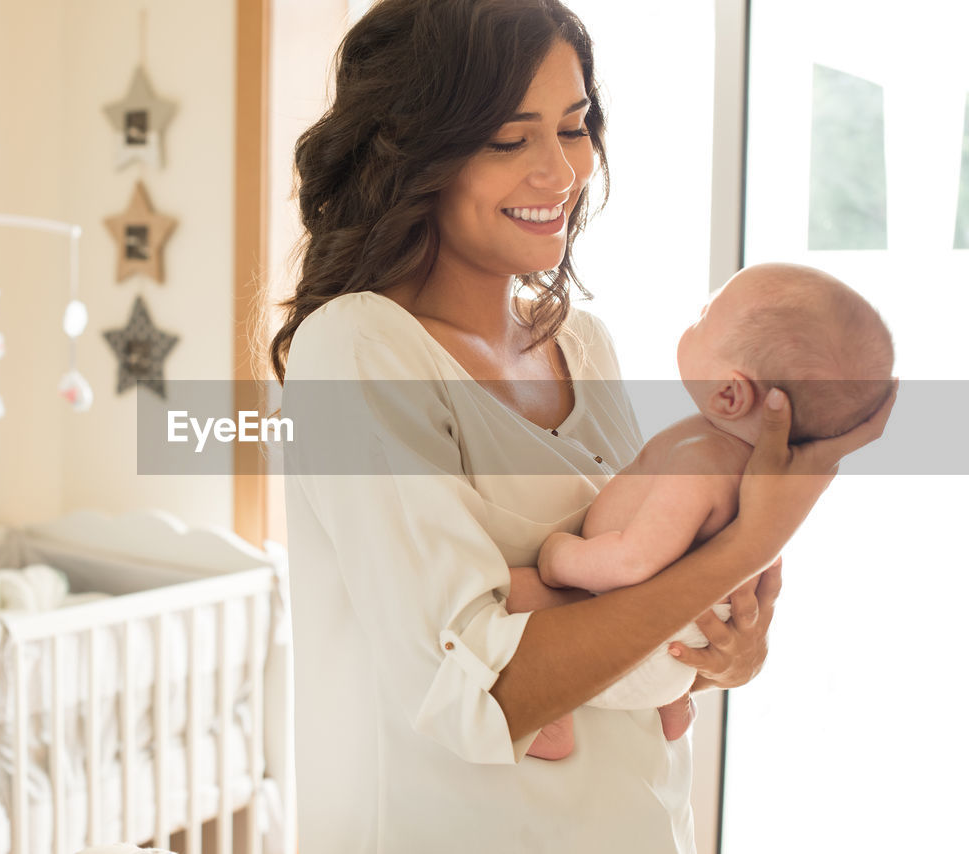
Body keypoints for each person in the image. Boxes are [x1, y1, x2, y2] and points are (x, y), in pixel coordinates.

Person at [269, 1, 896, 851]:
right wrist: (747, 544)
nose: (561, 172)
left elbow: (638, 615)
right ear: (414, 152)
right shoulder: (359, 349)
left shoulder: (581, 344)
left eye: (574, 126)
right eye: (507, 139)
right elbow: (478, 693)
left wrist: (723, 654)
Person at [508, 262, 895, 761]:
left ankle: (553, 721)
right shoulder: (735, 457)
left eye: (706, 314)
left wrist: (559, 557)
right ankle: (672, 701)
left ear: (731, 393)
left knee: (516, 592)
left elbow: (632, 563)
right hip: (670, 642)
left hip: (641, 648)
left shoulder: (703, 464)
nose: (696, 315)